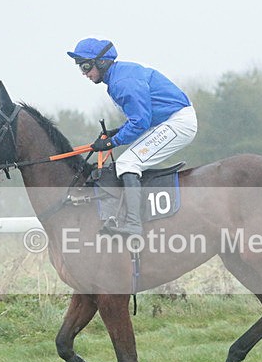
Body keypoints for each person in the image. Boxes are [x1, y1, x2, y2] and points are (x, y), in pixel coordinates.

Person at [67, 38, 197, 236]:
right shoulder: (119, 76)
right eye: (80, 68)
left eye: (86, 66)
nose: (84, 73)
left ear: (101, 62)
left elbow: (141, 122)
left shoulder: (122, 82)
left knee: (127, 163)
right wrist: (117, 131)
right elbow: (142, 117)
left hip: (178, 123)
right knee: (127, 161)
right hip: (169, 120)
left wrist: (112, 141)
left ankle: (133, 225)